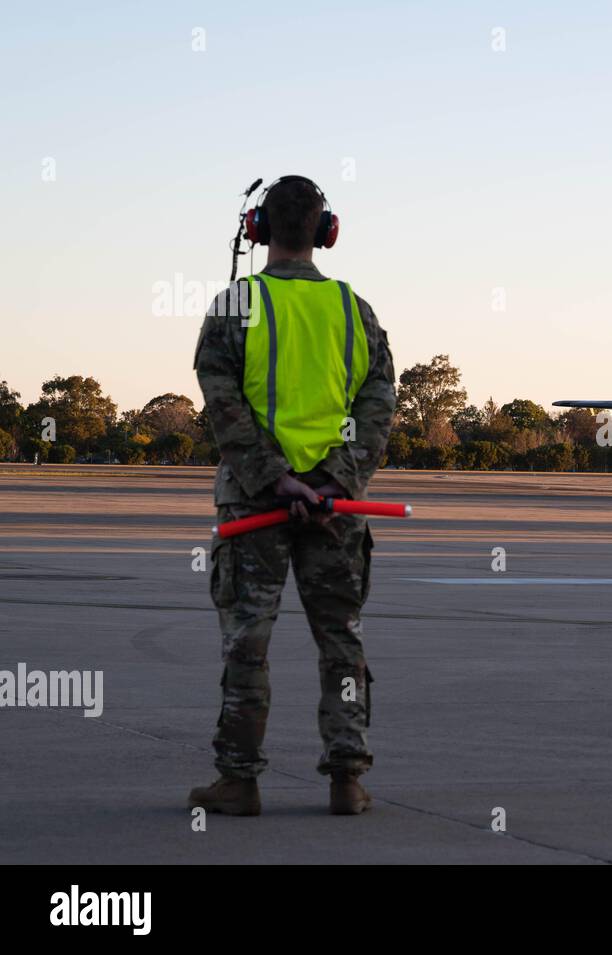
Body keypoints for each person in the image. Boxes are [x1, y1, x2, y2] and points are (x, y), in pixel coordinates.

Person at [189, 175, 395, 815]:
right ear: (326, 232)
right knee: (342, 642)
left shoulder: (236, 303)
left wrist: (273, 476)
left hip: (256, 506)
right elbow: (379, 401)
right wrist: (337, 476)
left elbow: (221, 398)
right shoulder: (353, 309)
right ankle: (347, 779)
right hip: (338, 508)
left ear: (257, 228)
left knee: (247, 643)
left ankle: (240, 780)